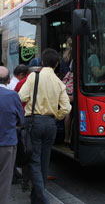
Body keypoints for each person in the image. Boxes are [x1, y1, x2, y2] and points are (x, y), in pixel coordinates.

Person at [18, 48, 72, 204]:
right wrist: (57, 115)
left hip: (33, 121)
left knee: (34, 161)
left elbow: (21, 96)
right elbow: (67, 108)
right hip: (50, 123)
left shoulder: (33, 77)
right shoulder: (59, 82)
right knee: (44, 161)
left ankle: (42, 198)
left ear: (42, 62)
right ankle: (36, 198)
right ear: (56, 64)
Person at [14, 57, 42, 192]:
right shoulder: (47, 81)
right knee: (39, 152)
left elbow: (16, 101)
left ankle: (26, 181)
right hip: (43, 119)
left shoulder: (21, 83)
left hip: (26, 120)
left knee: (27, 151)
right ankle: (39, 182)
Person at [0, 66, 24, 204]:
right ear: (9, 80)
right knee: (4, 179)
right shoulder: (12, 96)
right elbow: (21, 120)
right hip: (7, 143)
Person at [62, 60, 73, 145]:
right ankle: (70, 138)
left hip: (66, 94)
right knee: (73, 115)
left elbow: (63, 83)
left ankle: (66, 137)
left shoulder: (69, 73)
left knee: (68, 113)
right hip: (72, 95)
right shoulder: (79, 73)